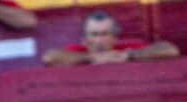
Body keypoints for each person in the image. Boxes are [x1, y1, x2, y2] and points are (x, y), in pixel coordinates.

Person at [43, 11, 180, 66]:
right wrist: (91, 58)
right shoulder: (76, 50)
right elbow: (49, 57)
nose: (99, 40)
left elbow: (170, 50)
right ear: (85, 39)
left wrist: (129, 56)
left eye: (104, 34)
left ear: (114, 38)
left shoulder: (126, 48)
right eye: (94, 34)